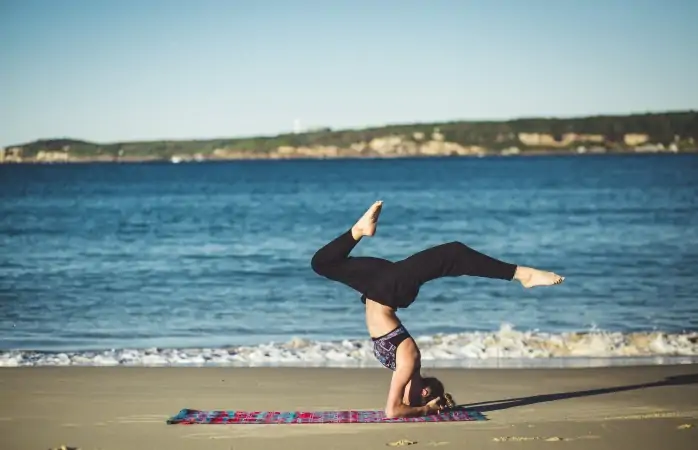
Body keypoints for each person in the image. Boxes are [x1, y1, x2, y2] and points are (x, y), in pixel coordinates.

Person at [311, 201, 564, 418]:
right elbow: (395, 409)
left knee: (321, 263)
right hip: (387, 289)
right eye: (418, 398)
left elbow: (392, 410)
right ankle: (522, 275)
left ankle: (359, 231)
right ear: (424, 392)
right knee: (453, 252)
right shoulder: (409, 360)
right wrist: (428, 408)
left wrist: (426, 409)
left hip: (380, 286)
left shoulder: (403, 365)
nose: (410, 396)